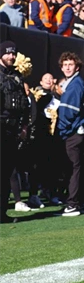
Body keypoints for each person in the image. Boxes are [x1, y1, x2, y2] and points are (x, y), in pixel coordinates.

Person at [56, 52, 84, 217]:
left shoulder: (75, 84)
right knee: (80, 167)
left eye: (71, 64)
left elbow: (69, 112)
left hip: (73, 133)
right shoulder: (78, 83)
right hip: (79, 131)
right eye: (65, 65)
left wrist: (63, 130)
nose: (67, 67)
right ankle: (82, 202)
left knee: (73, 169)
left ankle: (73, 204)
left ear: (77, 67)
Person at [0, 41, 29, 223]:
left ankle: (2, 213)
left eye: (14, 54)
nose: (11, 56)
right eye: (8, 53)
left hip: (13, 129)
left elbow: (24, 105)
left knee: (7, 173)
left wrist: (25, 126)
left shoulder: (18, 76)